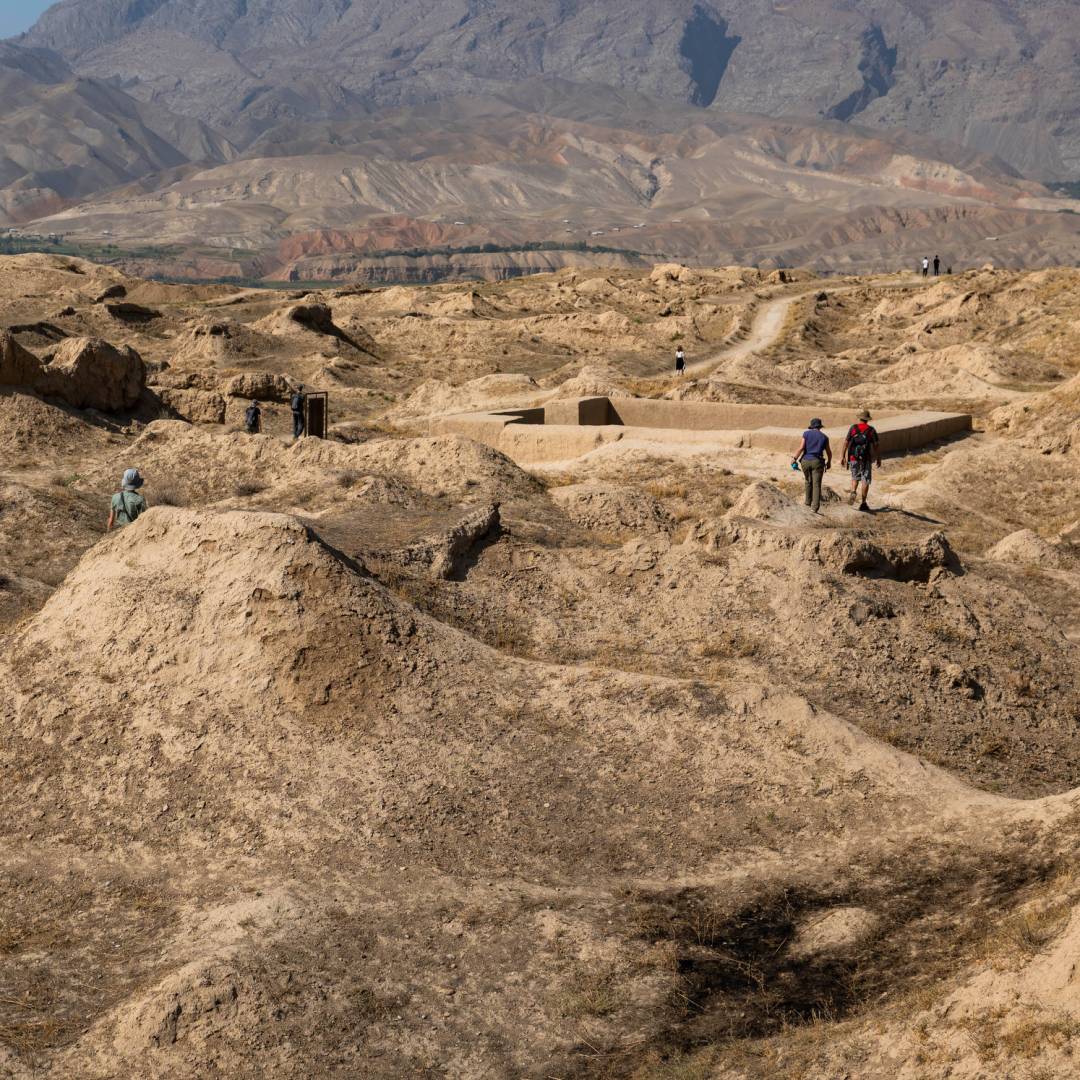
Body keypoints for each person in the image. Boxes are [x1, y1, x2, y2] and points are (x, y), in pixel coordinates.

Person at [841, 409, 882, 513]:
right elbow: (876, 446)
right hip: (866, 459)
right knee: (865, 480)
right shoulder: (871, 430)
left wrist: (843, 456)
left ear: (860, 418)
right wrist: (878, 457)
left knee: (855, 477)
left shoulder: (853, 428)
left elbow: (846, 442)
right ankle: (863, 503)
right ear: (867, 419)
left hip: (853, 458)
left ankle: (853, 491)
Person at [792, 418, 832, 514]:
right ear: (820, 427)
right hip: (817, 461)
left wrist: (794, 458)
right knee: (816, 484)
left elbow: (801, 448)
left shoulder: (806, 434)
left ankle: (807, 502)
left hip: (805, 461)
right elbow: (829, 452)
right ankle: (814, 508)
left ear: (811, 426)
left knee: (808, 481)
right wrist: (829, 462)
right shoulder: (824, 437)